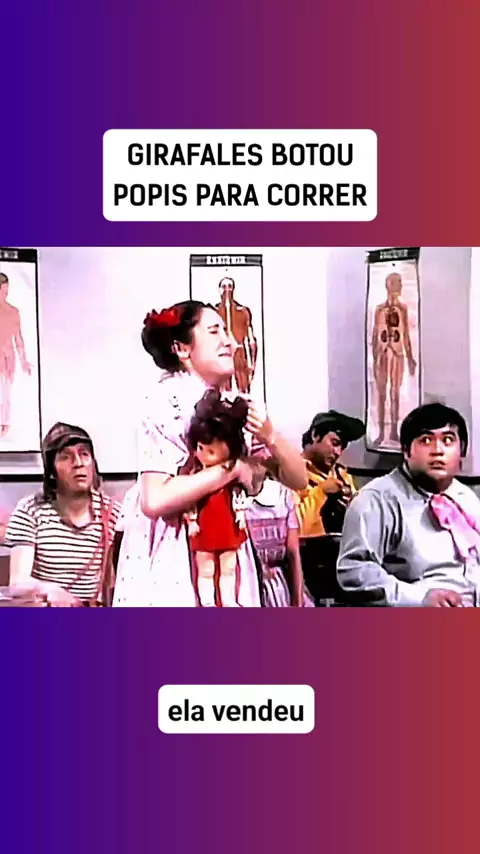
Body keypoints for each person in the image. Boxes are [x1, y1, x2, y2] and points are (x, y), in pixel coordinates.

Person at [113, 301, 307, 608]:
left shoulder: (236, 404)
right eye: (215, 331)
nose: (229, 341)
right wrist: (232, 469)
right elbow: (155, 499)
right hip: (175, 545)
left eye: (227, 332)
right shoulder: (166, 401)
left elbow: (299, 479)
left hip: (227, 541)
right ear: (182, 348)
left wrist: (270, 436)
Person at [337, 403, 480, 607]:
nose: (438, 450)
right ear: (406, 450)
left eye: (448, 440)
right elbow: (353, 570)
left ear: (462, 451)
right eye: (426, 440)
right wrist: (420, 598)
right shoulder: (376, 500)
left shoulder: (465, 497)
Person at [5, 422, 121, 606]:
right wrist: (50, 590)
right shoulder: (30, 511)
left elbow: (119, 580)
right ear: (52, 471)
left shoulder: (112, 513)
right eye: (66, 457)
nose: (78, 463)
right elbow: (18, 584)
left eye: (84, 454)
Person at [295, 410, 365, 605]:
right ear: (315, 435)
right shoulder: (293, 473)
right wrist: (321, 493)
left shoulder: (342, 476)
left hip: (345, 565)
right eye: (334, 443)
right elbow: (295, 526)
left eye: (342, 447)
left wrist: (352, 507)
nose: (338, 452)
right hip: (307, 567)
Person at [245, 469, 312, 607]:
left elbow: (293, 553)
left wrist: (298, 602)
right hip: (244, 583)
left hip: (277, 587)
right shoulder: (231, 496)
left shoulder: (282, 494)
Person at [371, 272, 416, 445]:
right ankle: (381, 432)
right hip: (383, 353)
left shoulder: (402, 309)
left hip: (397, 353)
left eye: (399, 284)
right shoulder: (379, 309)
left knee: (395, 392)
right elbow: (375, 334)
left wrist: (410, 357)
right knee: (382, 393)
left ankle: (394, 431)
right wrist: (375, 357)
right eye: (395, 284)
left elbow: (405, 334)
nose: (398, 287)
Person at [0, 272, 32, 438]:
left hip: (7, 358)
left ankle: (4, 425)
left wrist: (24, 360)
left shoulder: (13, 312)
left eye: (6, 291)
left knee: (5, 392)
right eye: (2, 291)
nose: (5, 295)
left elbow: (18, 338)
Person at [215, 277, 257, 394]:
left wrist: (251, 361)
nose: (227, 290)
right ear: (219, 289)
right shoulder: (214, 312)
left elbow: (250, 339)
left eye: (230, 286)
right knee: (224, 390)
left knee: (243, 388)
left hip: (239, 352)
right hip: (223, 353)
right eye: (224, 287)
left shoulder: (242, 311)